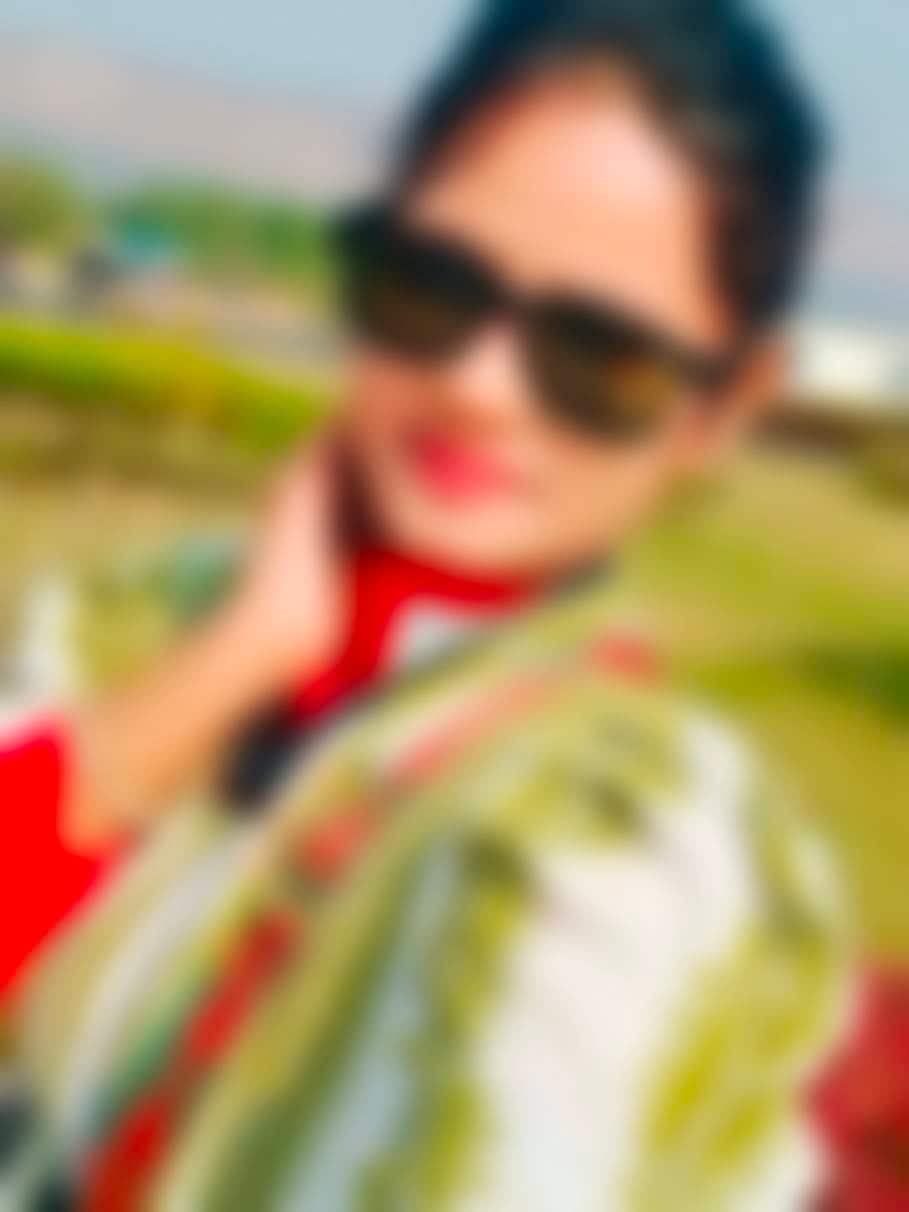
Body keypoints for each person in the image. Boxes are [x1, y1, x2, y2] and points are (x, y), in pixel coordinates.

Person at [0, 2, 849, 1209]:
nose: (478, 388)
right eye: (432, 285)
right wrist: (233, 662)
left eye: (599, 357)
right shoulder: (145, 618)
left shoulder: (611, 833)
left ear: (725, 407)